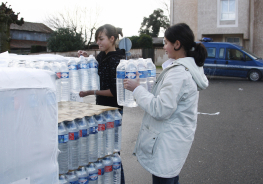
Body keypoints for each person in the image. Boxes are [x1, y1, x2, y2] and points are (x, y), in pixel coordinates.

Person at [123, 23, 209, 184]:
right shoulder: (185, 68)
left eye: (166, 42)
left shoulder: (178, 73)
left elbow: (160, 109)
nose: (164, 47)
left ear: (177, 44)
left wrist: (136, 89)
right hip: (174, 142)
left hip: (168, 145)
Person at [77, 24, 125, 184]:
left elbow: (114, 91)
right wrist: (86, 57)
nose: (98, 42)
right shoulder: (101, 56)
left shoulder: (117, 59)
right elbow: (95, 68)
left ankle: (119, 180)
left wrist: (92, 92)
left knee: (112, 152)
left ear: (112, 39)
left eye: (101, 39)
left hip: (113, 110)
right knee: (103, 152)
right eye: (97, 39)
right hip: (101, 109)